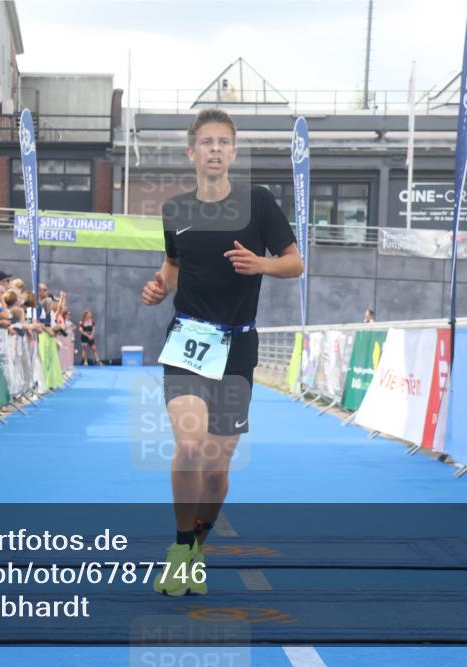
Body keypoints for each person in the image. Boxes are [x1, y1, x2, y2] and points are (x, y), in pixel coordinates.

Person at [140, 108, 303, 596]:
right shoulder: (175, 211)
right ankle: (178, 547)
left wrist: (262, 265)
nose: (214, 149)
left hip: (238, 347)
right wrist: (159, 288)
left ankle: (198, 547)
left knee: (215, 472)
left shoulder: (258, 203)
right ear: (192, 153)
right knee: (188, 446)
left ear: (233, 152)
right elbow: (172, 264)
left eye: (223, 142)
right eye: (205, 142)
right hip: (188, 342)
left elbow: (295, 262)